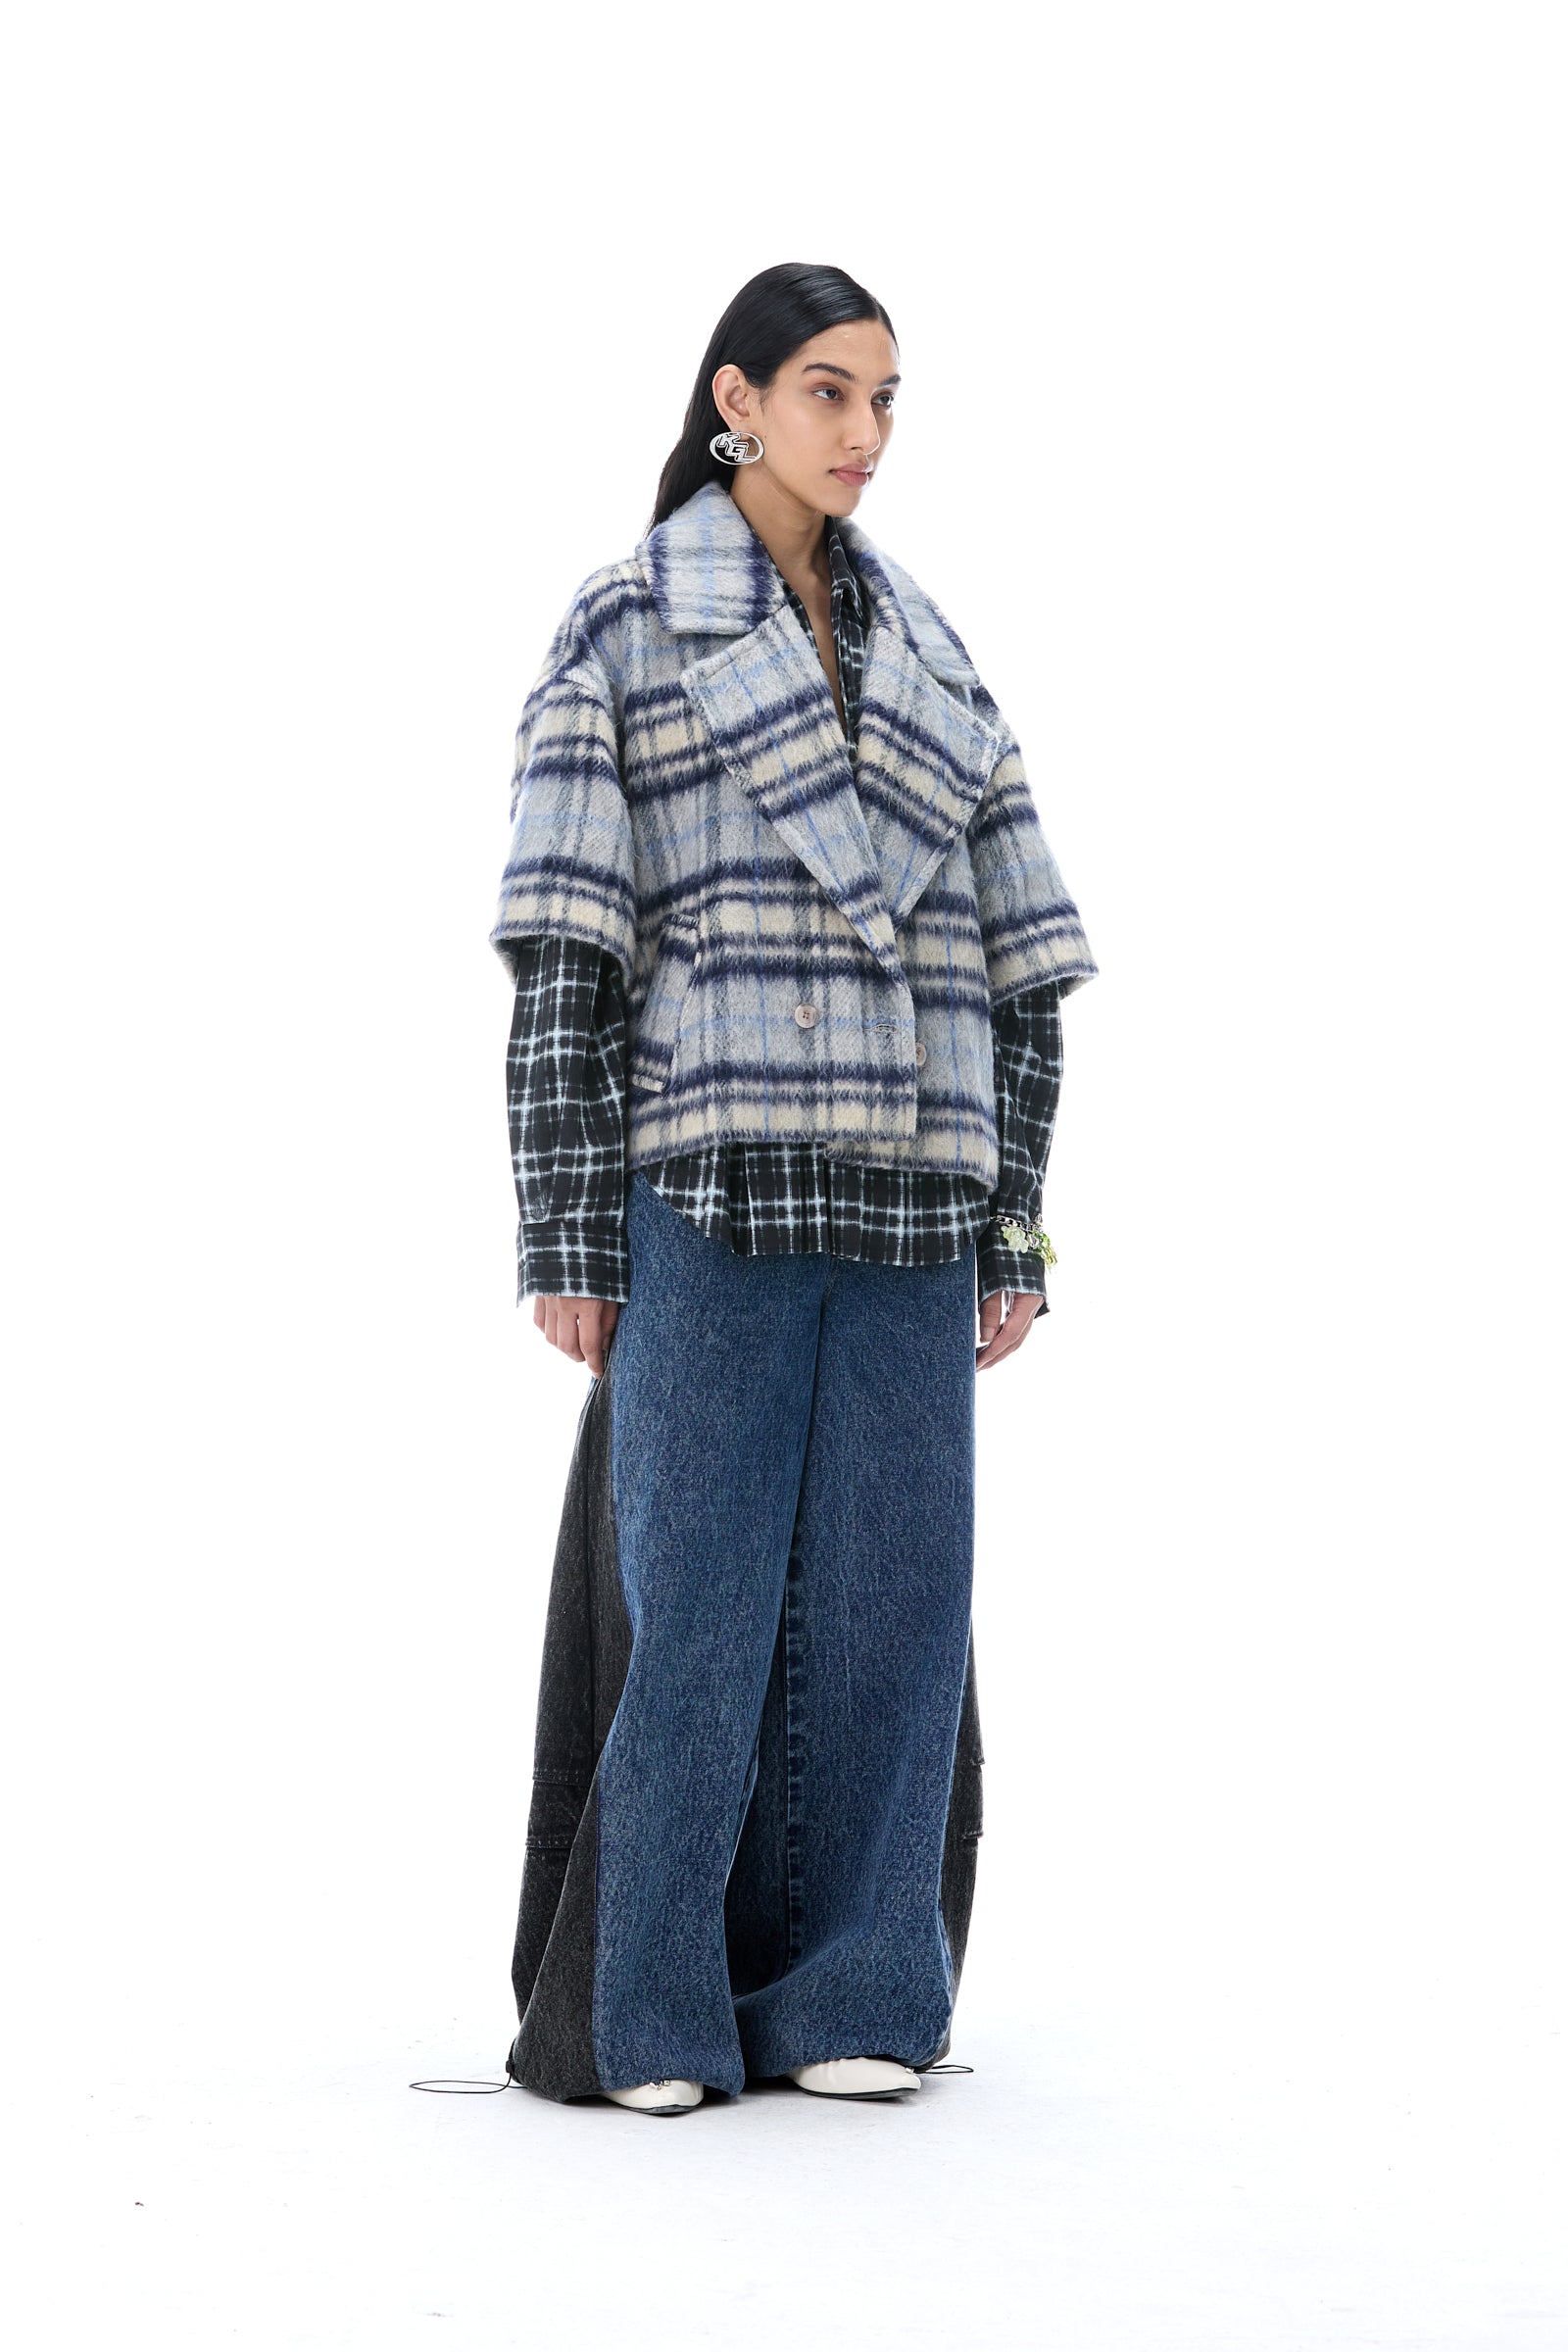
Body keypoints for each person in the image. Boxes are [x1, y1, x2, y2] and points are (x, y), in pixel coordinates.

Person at [489, 262, 1097, 2117]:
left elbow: (1024, 962)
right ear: (735, 399)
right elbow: (567, 955)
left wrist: (1015, 1216)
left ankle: (858, 1993)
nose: (865, 432)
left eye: (886, 398)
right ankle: (647, 2009)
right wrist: (566, 1228)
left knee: (901, 1616)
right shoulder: (625, 624)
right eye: (829, 390)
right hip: (712, 1179)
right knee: (694, 1611)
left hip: (915, 1196)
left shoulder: (933, 652)